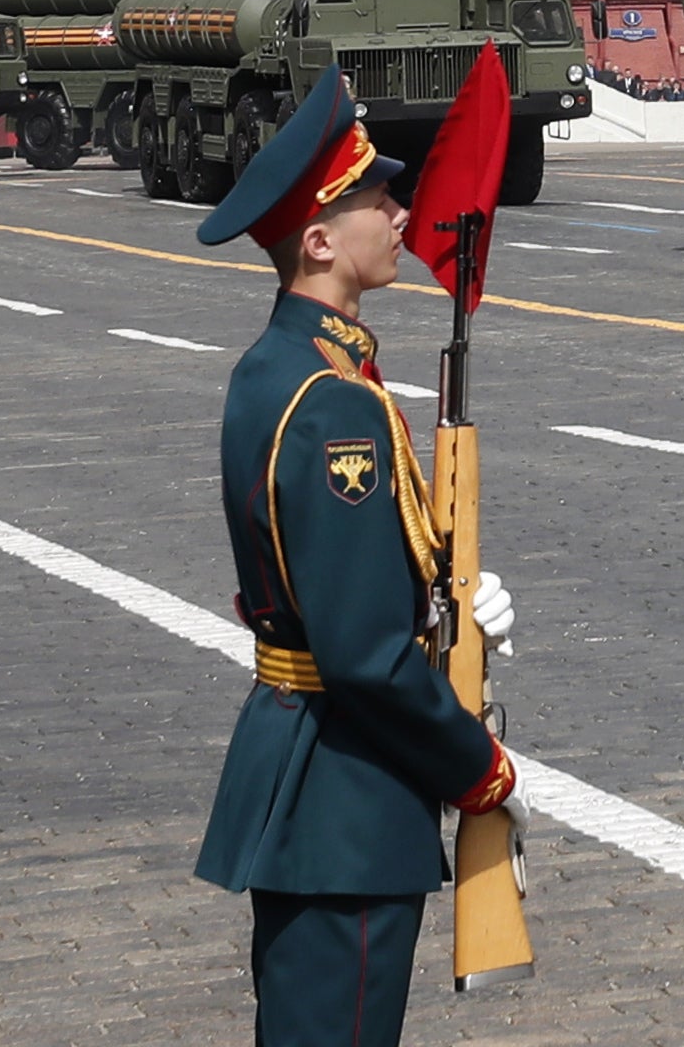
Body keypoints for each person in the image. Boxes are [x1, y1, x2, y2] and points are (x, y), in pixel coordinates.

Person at [194, 72, 518, 1046]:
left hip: (309, 768)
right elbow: (360, 650)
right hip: (347, 792)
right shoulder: (334, 401)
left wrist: (444, 592)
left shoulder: (283, 367)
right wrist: (477, 765)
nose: (397, 211)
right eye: (373, 197)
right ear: (320, 241)